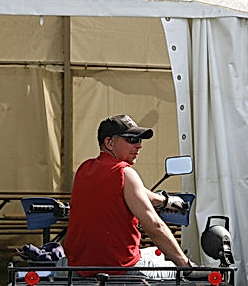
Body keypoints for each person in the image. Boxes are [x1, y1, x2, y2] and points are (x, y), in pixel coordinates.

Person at [66, 114, 192, 272]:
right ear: (109, 143)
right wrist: (186, 265)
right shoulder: (124, 171)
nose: (139, 146)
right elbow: (154, 226)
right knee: (173, 270)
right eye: (132, 140)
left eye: (140, 140)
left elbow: (135, 191)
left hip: (79, 270)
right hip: (122, 269)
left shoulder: (84, 169)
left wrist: (164, 201)